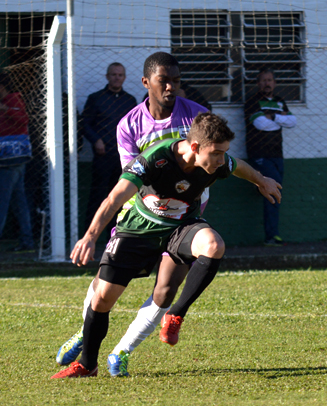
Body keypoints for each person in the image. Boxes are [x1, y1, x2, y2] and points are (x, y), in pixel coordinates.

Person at [51, 112, 281, 379]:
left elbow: (238, 165)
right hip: (138, 230)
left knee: (213, 245)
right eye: (217, 153)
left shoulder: (217, 162)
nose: (221, 161)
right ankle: (87, 364)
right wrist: (90, 236)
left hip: (181, 227)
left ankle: (174, 315)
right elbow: (115, 197)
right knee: (101, 299)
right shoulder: (154, 159)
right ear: (194, 147)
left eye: (224, 153)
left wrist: (261, 180)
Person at [55, 52, 210, 377]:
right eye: (163, 80)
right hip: (142, 218)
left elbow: (215, 161)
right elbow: (133, 175)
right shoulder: (130, 124)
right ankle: (87, 333)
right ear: (146, 83)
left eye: (176, 81)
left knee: (166, 289)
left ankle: (122, 352)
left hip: (186, 219)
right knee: (103, 286)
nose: (171, 87)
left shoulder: (198, 117)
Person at [0, 73, 34, 252]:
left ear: (0, 86)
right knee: (19, 202)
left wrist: (3, 108)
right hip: (12, 157)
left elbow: (23, 119)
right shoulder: (6, 104)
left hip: (12, 159)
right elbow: (1, 130)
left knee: (1, 200)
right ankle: (27, 241)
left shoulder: (13, 100)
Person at [244, 69, 297, 246]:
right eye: (263, 80)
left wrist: (272, 116)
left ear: (274, 83)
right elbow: (261, 125)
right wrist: (279, 119)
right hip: (259, 154)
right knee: (273, 192)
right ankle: (271, 237)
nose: (267, 83)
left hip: (277, 154)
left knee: (273, 190)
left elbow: (293, 122)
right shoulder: (252, 101)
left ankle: (257, 186)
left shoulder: (280, 101)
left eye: (270, 80)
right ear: (258, 83)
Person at [82, 62, 137, 232]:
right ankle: (91, 235)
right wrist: (96, 140)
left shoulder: (130, 101)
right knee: (98, 197)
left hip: (124, 160)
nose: (117, 78)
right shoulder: (96, 98)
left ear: (124, 78)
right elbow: (84, 124)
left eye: (120, 75)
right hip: (103, 156)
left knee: (121, 198)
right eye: (113, 74)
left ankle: (116, 237)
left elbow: (135, 128)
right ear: (107, 76)